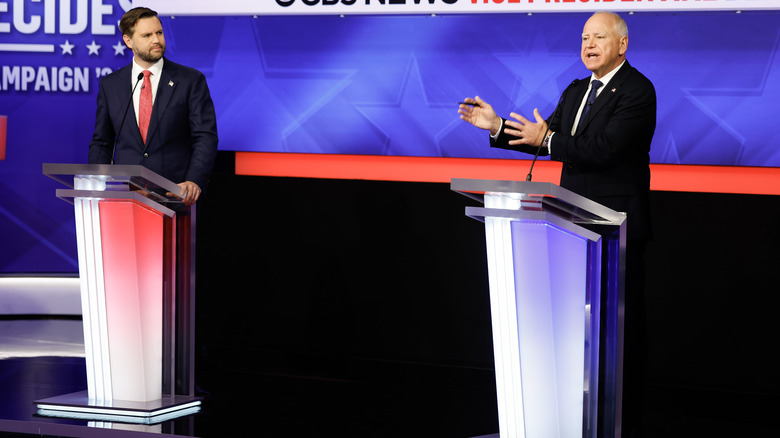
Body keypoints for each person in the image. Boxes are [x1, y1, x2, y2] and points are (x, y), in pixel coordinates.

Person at [459, 11, 656, 438]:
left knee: (619, 338)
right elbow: (543, 134)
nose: (589, 44)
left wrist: (547, 140)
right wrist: (496, 127)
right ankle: (573, 420)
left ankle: (624, 425)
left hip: (615, 230)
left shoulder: (638, 90)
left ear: (621, 44)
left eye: (599, 37)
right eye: (585, 37)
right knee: (577, 334)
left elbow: (604, 149)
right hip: (573, 227)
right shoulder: (575, 90)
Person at [88, 7, 218, 206]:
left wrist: (194, 180)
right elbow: (102, 143)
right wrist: (96, 184)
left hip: (176, 196)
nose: (156, 40)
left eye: (159, 32)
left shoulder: (190, 80)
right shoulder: (110, 85)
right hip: (126, 197)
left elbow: (205, 136)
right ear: (128, 41)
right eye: (147, 35)